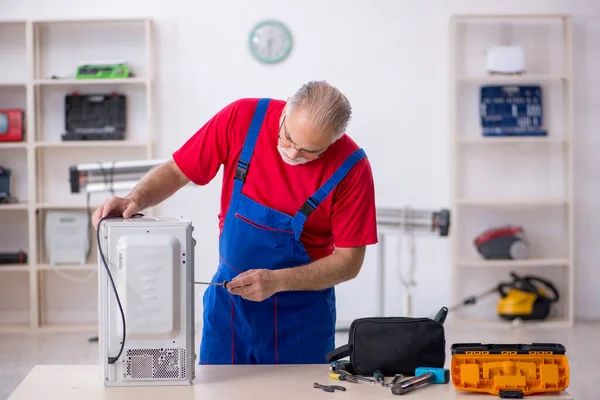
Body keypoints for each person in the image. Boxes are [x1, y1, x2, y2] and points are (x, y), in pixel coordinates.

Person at [92, 80, 378, 365]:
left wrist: (278, 281)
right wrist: (136, 198)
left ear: (334, 140)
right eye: (288, 138)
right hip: (229, 309)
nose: (292, 154)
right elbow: (179, 171)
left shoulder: (352, 168)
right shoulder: (243, 119)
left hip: (301, 318)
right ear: (286, 106)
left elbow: (349, 262)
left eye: (309, 152)